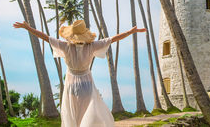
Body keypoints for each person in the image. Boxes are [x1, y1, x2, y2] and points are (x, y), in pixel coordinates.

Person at [13, 19, 146, 127]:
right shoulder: (92, 46)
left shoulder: (65, 46)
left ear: (71, 36)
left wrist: (28, 28)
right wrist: (131, 31)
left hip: (71, 85)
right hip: (86, 84)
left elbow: (45, 37)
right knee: (88, 112)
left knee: (73, 114)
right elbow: (113, 39)